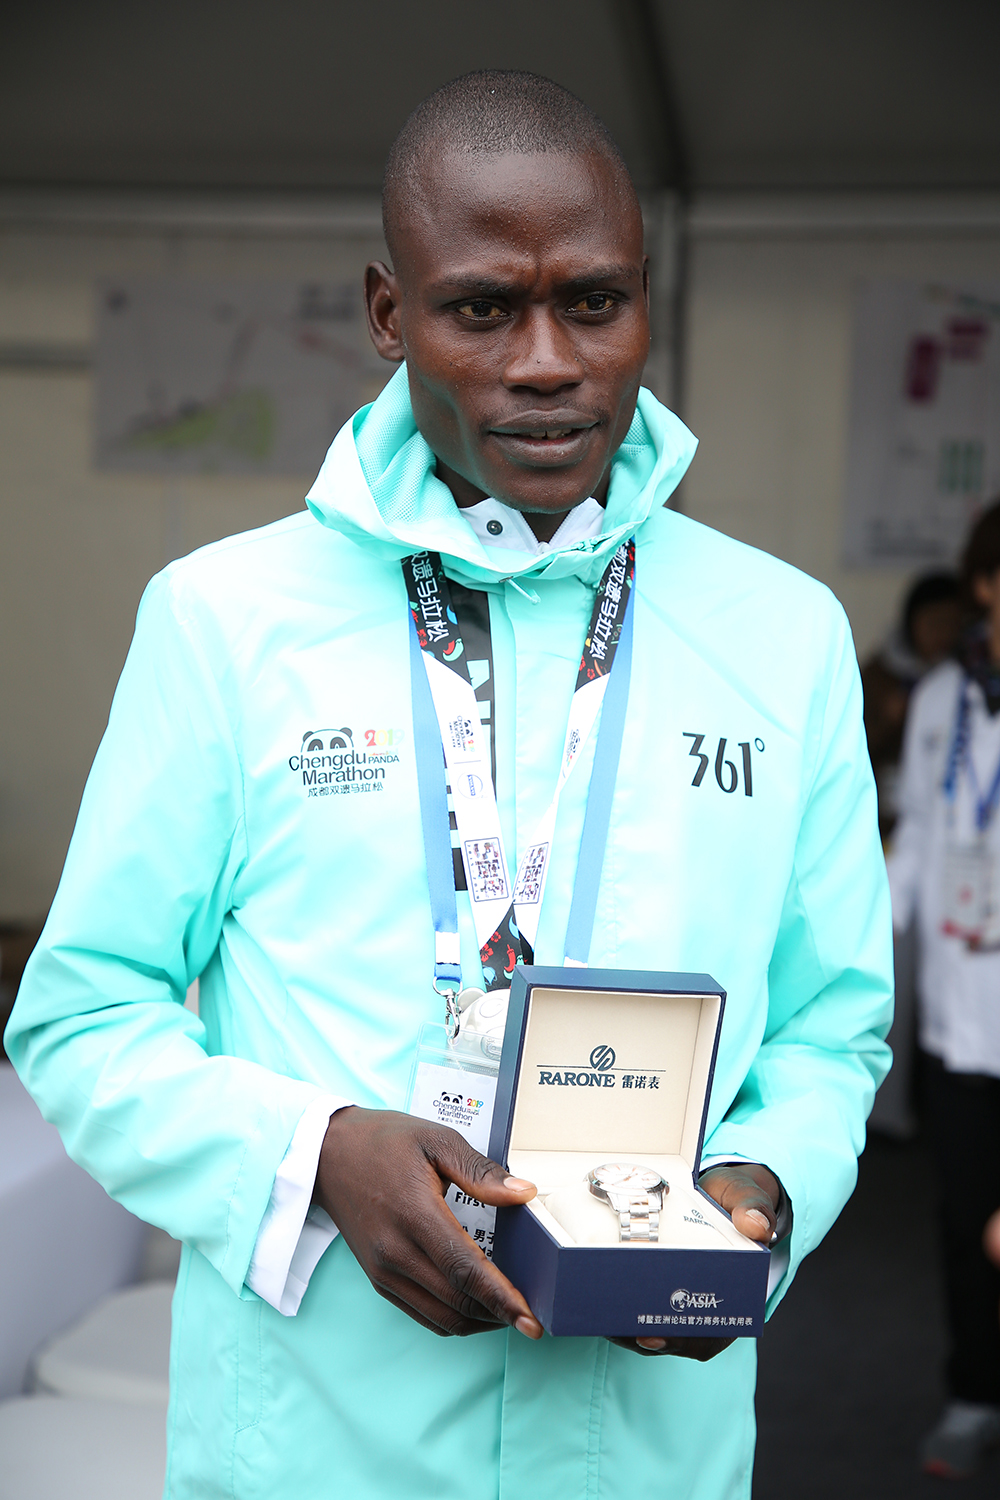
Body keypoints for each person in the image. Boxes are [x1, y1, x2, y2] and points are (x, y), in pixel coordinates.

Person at [5, 71, 892, 1500]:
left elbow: (832, 1028)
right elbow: (85, 1010)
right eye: (482, 308)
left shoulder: (780, 636)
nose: (546, 361)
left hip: (645, 1453)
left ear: (647, 302)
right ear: (388, 313)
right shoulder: (226, 621)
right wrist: (312, 1156)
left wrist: (763, 1192)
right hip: (319, 1446)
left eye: (593, 303)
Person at [889, 501, 1000, 1478]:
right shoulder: (942, 698)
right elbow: (921, 835)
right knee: (966, 1222)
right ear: (985, 585)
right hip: (962, 1010)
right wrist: (857, 945)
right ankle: (973, 1393)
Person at [862, 570, 961, 842]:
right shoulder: (878, 675)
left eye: (952, 623)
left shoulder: (967, 680)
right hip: (883, 822)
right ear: (910, 622)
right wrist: (886, 721)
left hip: (948, 822)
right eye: (934, 623)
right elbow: (847, 750)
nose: (944, 633)